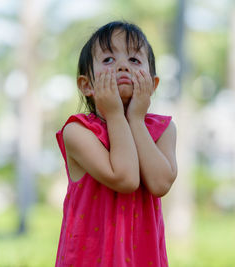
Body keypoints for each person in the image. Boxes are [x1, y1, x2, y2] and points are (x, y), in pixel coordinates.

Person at [55, 21, 177, 267]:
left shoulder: (163, 130)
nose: (122, 65)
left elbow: (161, 183)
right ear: (87, 85)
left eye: (134, 60)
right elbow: (125, 179)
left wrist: (136, 120)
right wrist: (115, 115)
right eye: (108, 60)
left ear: (152, 85)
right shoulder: (78, 131)